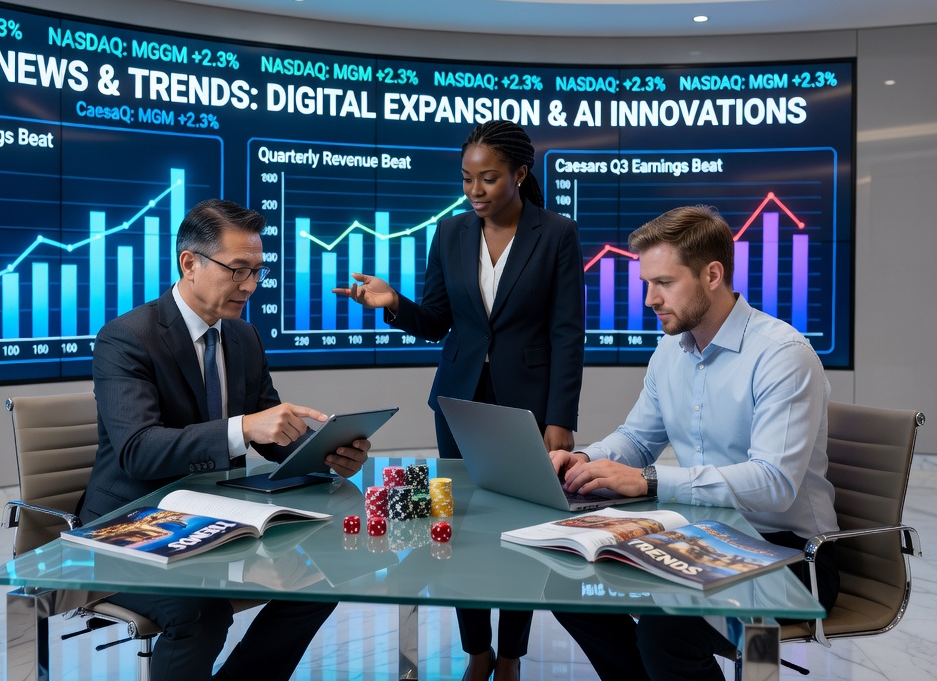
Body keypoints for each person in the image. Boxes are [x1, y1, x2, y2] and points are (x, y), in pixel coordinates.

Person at [83, 198, 372, 681]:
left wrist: (325, 454)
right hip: (134, 521)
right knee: (200, 613)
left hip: (217, 516)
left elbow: (272, 438)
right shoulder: (126, 338)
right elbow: (137, 451)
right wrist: (244, 427)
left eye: (257, 271)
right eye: (238, 270)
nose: (251, 286)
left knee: (323, 577)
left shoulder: (243, 337)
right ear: (189, 263)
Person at [336, 119, 585, 681]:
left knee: (523, 525)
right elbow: (436, 322)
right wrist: (392, 302)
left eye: (489, 179)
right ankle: (477, 649)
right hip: (457, 400)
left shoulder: (556, 234)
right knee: (455, 525)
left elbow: (568, 333)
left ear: (520, 175)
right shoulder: (449, 234)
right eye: (468, 179)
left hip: (529, 405)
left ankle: (512, 656)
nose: (475, 190)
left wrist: (560, 421)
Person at [548, 205, 840, 681]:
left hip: (791, 555)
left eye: (663, 283)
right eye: (647, 283)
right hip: (700, 539)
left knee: (667, 634)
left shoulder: (783, 355)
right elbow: (636, 439)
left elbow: (774, 484)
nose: (649, 299)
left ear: (712, 274)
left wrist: (648, 482)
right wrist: (583, 460)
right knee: (570, 589)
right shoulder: (670, 351)